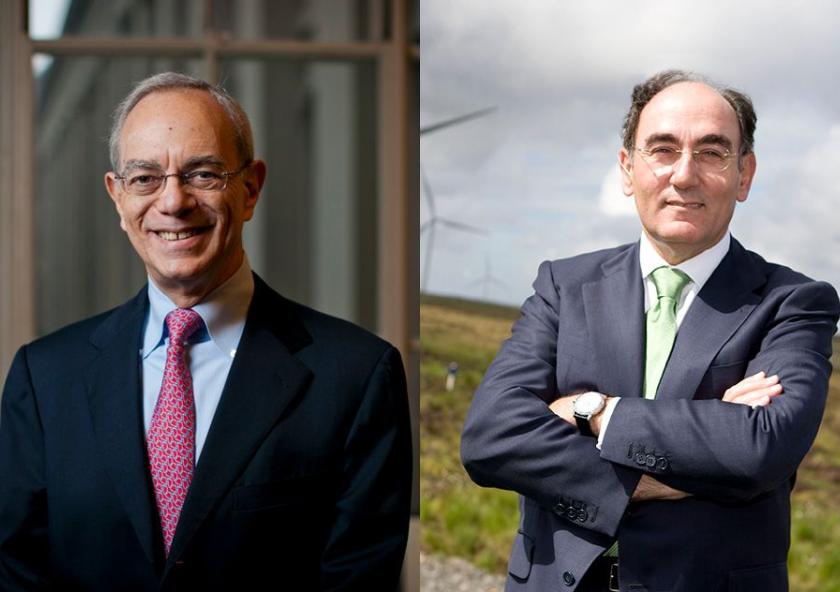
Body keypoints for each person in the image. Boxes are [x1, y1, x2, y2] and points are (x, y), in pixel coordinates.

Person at [0, 72, 411, 591]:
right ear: (118, 198)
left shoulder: (356, 377)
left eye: (202, 174)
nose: (173, 202)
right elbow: (17, 574)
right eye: (145, 177)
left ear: (251, 188)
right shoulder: (42, 379)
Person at [461, 70, 840, 592]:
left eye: (712, 152)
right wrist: (656, 475)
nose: (684, 175)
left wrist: (593, 411)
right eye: (662, 149)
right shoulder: (564, 285)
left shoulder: (794, 302)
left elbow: (760, 449)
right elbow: (490, 437)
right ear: (627, 167)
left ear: (745, 174)